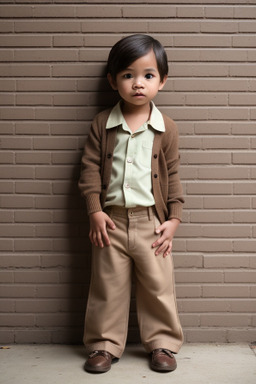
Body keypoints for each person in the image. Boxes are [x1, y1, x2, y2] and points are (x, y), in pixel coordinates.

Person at [78, 34, 184, 374]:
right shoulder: (102, 124)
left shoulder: (165, 128)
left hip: (151, 222)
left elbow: (175, 175)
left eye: (148, 75)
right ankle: (103, 346)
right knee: (107, 287)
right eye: (127, 75)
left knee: (158, 286)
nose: (138, 83)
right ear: (113, 81)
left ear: (162, 81)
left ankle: (163, 344)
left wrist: (175, 218)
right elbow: (90, 169)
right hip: (110, 221)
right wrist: (95, 210)